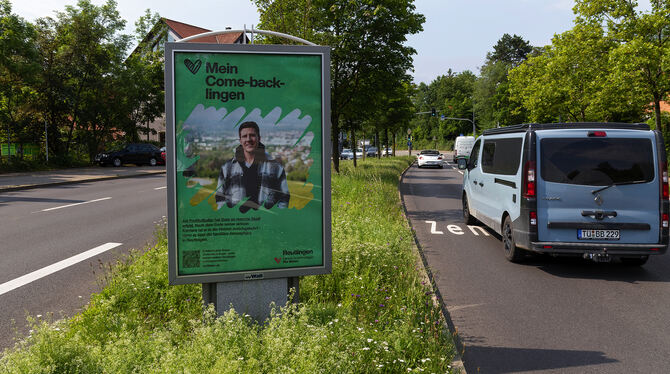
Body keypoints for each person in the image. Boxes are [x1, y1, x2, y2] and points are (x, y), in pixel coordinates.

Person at [216, 121, 290, 212]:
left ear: (259, 138)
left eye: (252, 135)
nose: (248, 139)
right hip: (237, 223)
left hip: (264, 224)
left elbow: (284, 198)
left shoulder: (276, 168)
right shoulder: (227, 168)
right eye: (244, 136)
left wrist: (274, 222)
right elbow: (220, 198)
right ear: (240, 141)